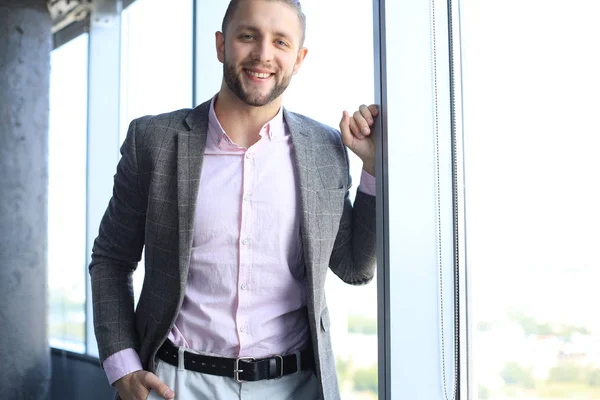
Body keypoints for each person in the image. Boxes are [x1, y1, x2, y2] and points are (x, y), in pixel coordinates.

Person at [89, 0, 378, 399]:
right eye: (248, 36)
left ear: (299, 58)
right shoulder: (153, 142)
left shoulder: (325, 149)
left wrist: (374, 171)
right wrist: (123, 367)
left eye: (280, 41)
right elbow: (111, 259)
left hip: (295, 388)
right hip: (178, 384)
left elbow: (354, 267)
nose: (263, 54)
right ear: (222, 45)